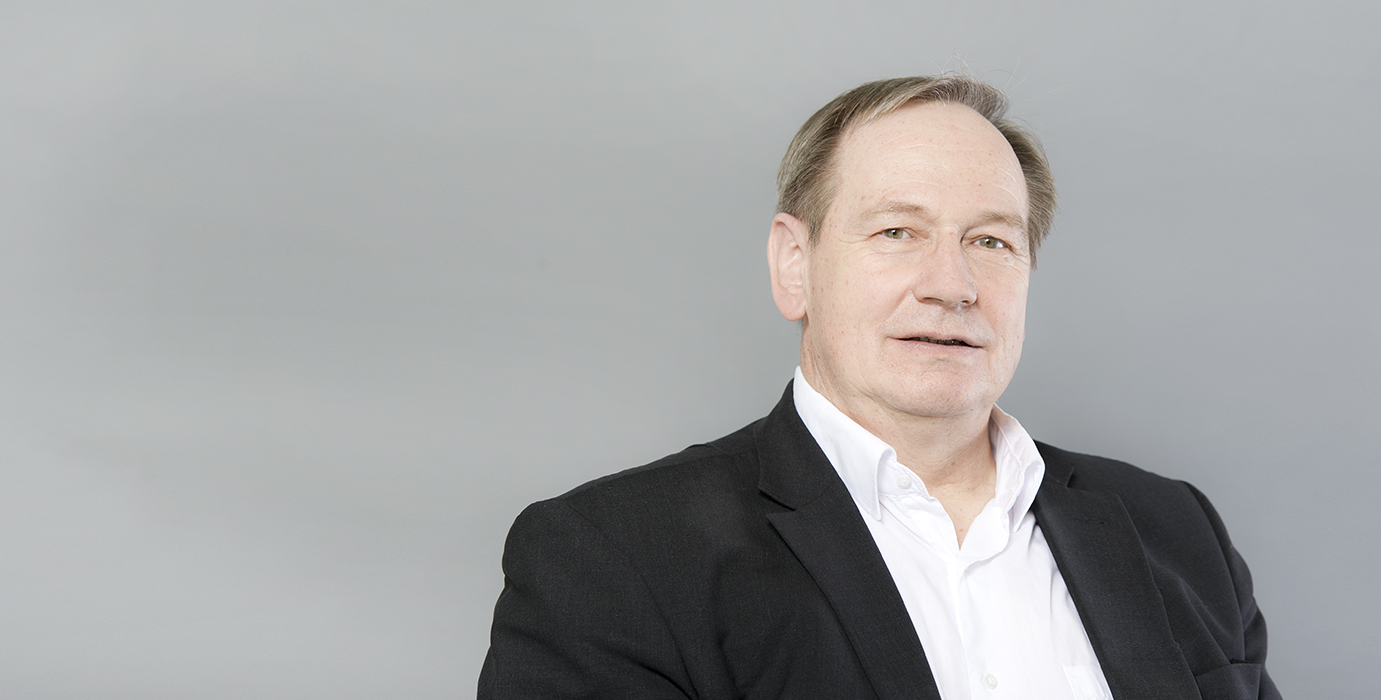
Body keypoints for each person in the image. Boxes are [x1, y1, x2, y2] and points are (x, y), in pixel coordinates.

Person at [478, 74, 1277, 700]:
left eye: (991, 241)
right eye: (898, 232)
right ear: (795, 265)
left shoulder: (1176, 531)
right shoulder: (613, 559)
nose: (952, 285)